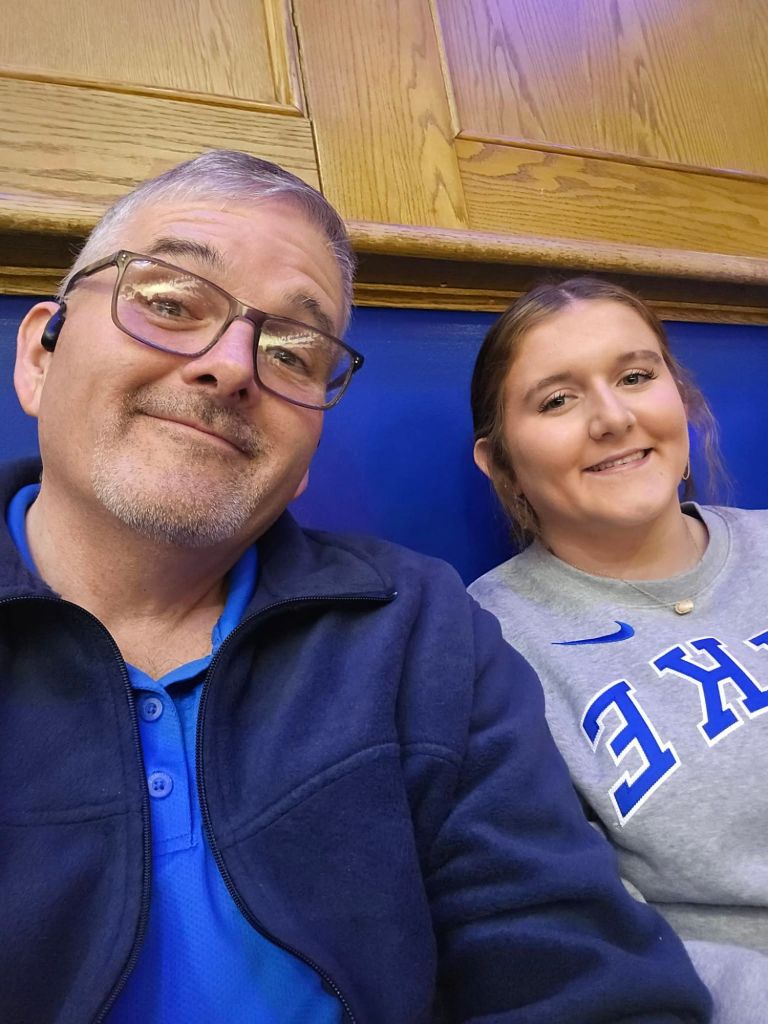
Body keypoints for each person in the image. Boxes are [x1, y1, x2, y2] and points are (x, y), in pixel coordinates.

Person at [2, 153, 710, 1024]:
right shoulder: (502, 615)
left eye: (293, 353)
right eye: (172, 303)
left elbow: (574, 971)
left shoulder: (419, 631)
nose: (233, 365)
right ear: (40, 355)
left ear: (301, 458)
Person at [468, 276, 768, 1022]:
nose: (613, 418)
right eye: (557, 400)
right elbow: (591, 930)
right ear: (500, 465)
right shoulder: (486, 644)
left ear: (680, 399)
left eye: (635, 377)